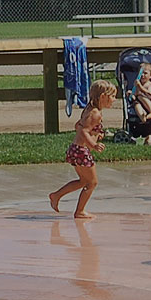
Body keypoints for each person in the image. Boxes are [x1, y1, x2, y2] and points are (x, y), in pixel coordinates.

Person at [48, 80, 116, 219]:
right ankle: (79, 211)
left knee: (83, 181)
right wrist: (93, 144)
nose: (114, 99)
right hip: (81, 151)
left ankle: (56, 195)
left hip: (76, 149)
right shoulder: (95, 114)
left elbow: (78, 125)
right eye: (112, 96)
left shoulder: (89, 109)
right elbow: (84, 131)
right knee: (92, 182)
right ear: (103, 96)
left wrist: (97, 133)